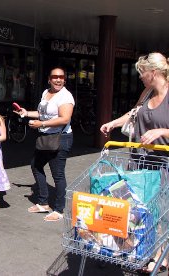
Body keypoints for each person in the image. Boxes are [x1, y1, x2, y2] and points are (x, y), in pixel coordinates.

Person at [100, 52, 169, 273]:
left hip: (163, 166)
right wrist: (112, 123)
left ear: (154, 72)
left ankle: (160, 256)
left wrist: (161, 131)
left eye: (142, 72)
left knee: (161, 212)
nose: (140, 76)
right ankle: (149, 252)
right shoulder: (147, 93)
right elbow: (133, 114)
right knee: (142, 209)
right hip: (140, 164)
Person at [16, 67, 74, 222]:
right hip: (46, 137)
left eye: (61, 77)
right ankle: (43, 202)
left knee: (58, 174)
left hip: (60, 138)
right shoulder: (46, 93)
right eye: (55, 76)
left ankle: (59, 209)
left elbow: (64, 118)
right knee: (36, 165)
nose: (58, 79)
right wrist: (26, 113)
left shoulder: (65, 96)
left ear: (64, 79)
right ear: (49, 78)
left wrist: (41, 124)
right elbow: (42, 113)